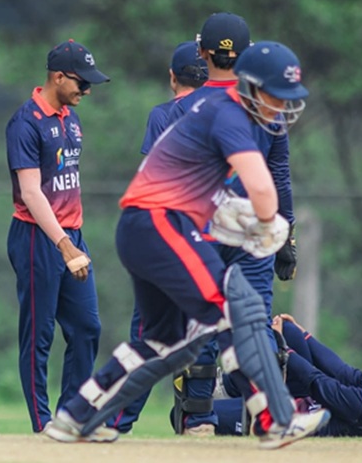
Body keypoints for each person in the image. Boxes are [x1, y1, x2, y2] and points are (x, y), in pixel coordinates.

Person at [46, 41, 330, 449]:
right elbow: (264, 193)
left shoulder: (221, 110)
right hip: (160, 224)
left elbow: (200, 183)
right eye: (277, 95)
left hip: (146, 227)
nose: (284, 105)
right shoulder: (230, 114)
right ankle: (275, 419)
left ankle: (76, 416)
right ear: (251, 86)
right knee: (235, 308)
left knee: (166, 343)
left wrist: (229, 214)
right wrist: (269, 223)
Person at [5, 39, 110, 435]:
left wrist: (72, 240)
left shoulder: (72, 118)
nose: (87, 91)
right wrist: (64, 245)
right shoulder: (26, 122)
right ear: (59, 77)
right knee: (39, 334)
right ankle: (42, 424)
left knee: (87, 328)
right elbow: (31, 193)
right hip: (37, 238)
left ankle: (73, 417)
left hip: (72, 236)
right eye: (82, 83)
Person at [112, 40, 208, 433]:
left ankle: (116, 421)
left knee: (148, 335)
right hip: (208, 236)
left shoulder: (163, 114)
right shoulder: (224, 113)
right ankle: (201, 418)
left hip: (165, 234)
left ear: (172, 77)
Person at [212, 314, 362, 438]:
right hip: (304, 402)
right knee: (290, 331)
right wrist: (304, 334)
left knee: (194, 414)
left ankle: (236, 399)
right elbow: (341, 371)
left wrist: (283, 349)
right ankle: (225, 387)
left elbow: (317, 381)